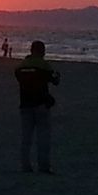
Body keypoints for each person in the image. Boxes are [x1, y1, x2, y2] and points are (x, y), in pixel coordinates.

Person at [15, 40, 60, 174]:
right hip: (41, 104)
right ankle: (44, 167)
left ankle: (25, 166)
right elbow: (55, 81)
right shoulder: (44, 65)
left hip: (25, 104)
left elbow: (19, 78)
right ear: (41, 51)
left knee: (26, 138)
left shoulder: (20, 66)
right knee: (43, 138)